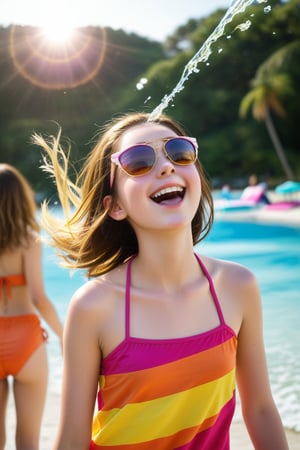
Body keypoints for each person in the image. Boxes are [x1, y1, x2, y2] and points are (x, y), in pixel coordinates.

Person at [33, 112, 288, 449]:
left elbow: (260, 409)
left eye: (179, 152)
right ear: (115, 207)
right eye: (139, 161)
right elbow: (71, 440)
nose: (166, 166)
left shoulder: (237, 286)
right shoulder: (95, 306)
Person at [0, 164, 63, 450]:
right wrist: (64, 335)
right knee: (28, 440)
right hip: (27, 340)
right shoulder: (29, 238)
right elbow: (39, 298)